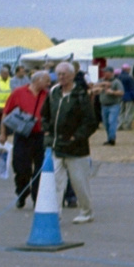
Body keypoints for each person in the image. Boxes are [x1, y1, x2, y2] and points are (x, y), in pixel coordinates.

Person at [42, 61, 99, 224]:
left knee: (79, 181)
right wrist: (47, 130)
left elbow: (90, 122)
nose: (61, 78)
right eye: (58, 74)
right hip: (56, 145)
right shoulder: (53, 93)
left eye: (64, 74)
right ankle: (55, 211)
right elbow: (44, 114)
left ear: (72, 75)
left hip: (76, 148)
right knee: (56, 181)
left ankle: (87, 211)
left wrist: (76, 137)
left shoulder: (80, 94)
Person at [0, 70, 50, 208]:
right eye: (46, 80)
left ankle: (37, 197)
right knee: (21, 167)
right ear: (37, 80)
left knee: (40, 168)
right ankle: (22, 192)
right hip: (23, 135)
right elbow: (6, 113)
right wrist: (3, 133)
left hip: (41, 136)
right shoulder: (18, 92)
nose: (49, 83)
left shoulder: (48, 95)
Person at [95, 70, 125, 145]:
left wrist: (112, 92)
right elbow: (94, 86)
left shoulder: (116, 82)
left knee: (112, 121)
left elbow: (121, 92)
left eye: (107, 73)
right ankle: (109, 138)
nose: (105, 74)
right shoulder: (100, 81)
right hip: (103, 105)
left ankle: (112, 139)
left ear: (111, 73)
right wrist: (102, 84)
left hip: (114, 105)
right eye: (104, 72)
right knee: (106, 123)